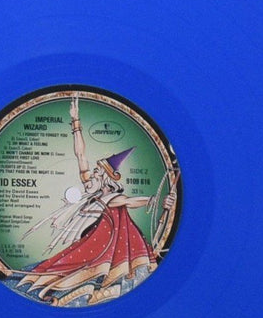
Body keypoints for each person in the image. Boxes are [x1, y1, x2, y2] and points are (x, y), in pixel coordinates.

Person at [16, 96, 176, 306]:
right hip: (90, 245)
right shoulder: (94, 191)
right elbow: (80, 156)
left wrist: (157, 200)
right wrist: (76, 123)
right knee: (55, 267)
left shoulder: (111, 198)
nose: (92, 174)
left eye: (98, 172)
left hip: (101, 252)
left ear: (106, 179)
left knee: (63, 270)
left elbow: (130, 201)